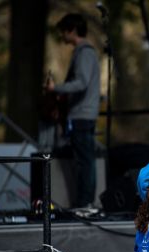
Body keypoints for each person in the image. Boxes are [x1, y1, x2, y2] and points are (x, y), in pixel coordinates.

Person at [46, 13, 100, 208]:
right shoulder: (84, 52)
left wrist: (55, 88)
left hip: (82, 115)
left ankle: (85, 203)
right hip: (82, 113)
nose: (62, 35)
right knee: (84, 160)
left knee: (85, 161)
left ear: (72, 30)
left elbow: (81, 83)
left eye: (63, 31)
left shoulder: (84, 53)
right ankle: (84, 202)